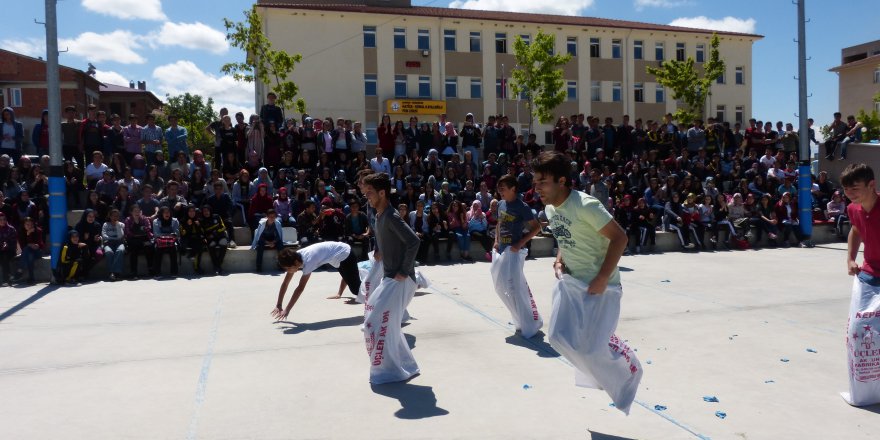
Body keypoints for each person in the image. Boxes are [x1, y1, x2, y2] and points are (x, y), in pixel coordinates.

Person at [532, 150, 642, 413]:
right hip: (571, 283)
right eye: (535, 181)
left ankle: (631, 365)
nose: (537, 188)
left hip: (602, 287)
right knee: (558, 338)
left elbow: (620, 238)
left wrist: (603, 278)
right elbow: (564, 235)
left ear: (562, 181)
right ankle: (601, 371)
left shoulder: (586, 205)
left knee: (593, 349)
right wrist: (560, 258)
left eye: (542, 182)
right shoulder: (550, 209)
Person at [360, 172, 420, 384]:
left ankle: (388, 371)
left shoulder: (391, 216)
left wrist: (404, 271)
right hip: (390, 278)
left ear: (382, 193)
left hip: (400, 280)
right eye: (365, 193)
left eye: (370, 193)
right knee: (389, 325)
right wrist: (379, 250)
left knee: (374, 323)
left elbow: (413, 241)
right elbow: (386, 239)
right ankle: (406, 366)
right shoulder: (378, 215)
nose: (367, 197)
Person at [841, 163, 880, 407]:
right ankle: (866, 391)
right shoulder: (853, 208)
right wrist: (850, 258)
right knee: (860, 333)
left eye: (855, 188)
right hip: (868, 275)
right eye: (846, 190)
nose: (850, 194)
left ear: (872, 185)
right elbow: (856, 230)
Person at [271, 242, 363, 321]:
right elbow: (285, 283)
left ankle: (374, 288)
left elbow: (300, 288)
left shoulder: (309, 260)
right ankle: (340, 293)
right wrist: (279, 304)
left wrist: (287, 310)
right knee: (347, 276)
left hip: (345, 254)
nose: (287, 271)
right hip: (336, 255)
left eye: (288, 268)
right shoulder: (295, 256)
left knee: (356, 290)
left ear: (295, 263)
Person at [125, 204, 154, 279]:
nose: (137, 213)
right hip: (133, 239)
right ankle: (134, 272)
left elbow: (148, 228)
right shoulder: (128, 220)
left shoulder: (144, 218)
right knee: (134, 251)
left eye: (138, 211)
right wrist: (135, 233)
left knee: (149, 248)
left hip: (144, 238)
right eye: (135, 211)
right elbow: (128, 232)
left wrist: (143, 229)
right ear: (131, 212)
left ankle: (151, 269)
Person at [200, 205, 229, 275]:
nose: (206, 213)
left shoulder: (217, 216)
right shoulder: (202, 221)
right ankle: (218, 267)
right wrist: (205, 238)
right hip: (210, 239)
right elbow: (202, 233)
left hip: (220, 235)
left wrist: (214, 233)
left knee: (224, 243)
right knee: (211, 245)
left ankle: (217, 266)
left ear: (210, 211)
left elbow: (223, 227)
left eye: (207, 211)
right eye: (204, 211)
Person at [152, 206, 180, 277]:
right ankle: (157, 273)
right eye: (165, 212)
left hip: (171, 242)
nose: (167, 214)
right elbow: (156, 234)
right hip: (160, 241)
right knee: (157, 250)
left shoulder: (175, 220)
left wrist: (172, 235)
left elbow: (176, 233)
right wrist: (169, 235)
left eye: (168, 212)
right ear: (161, 214)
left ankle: (174, 272)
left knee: (173, 249)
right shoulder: (156, 221)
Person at [13, 216, 43, 284]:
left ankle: (20, 271)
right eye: (27, 224)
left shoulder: (38, 230)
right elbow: (23, 246)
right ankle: (31, 278)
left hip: (38, 252)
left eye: (31, 224)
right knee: (29, 255)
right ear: (24, 225)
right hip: (28, 252)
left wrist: (37, 246)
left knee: (28, 251)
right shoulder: (21, 232)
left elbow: (41, 244)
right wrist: (28, 234)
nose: (29, 226)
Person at [101, 208, 126, 281]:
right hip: (108, 243)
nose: (115, 218)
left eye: (117, 216)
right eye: (113, 216)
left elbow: (120, 236)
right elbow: (104, 235)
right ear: (110, 216)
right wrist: (113, 238)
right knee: (109, 252)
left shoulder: (121, 225)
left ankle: (114, 273)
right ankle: (113, 272)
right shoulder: (106, 224)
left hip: (119, 243)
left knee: (120, 250)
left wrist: (118, 226)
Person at [0, 212, 17, 286]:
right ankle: (9, 276)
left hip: (10, 250)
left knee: (4, 257)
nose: (2, 221)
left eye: (4, 219)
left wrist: (7, 245)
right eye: (0, 220)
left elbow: (14, 242)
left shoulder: (11, 229)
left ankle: (5, 279)